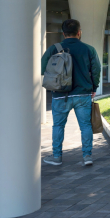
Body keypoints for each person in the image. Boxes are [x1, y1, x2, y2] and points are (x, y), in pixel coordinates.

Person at [40, 19, 101, 166]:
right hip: (82, 94)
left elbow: (42, 68)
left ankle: (57, 157)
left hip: (60, 94)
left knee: (58, 126)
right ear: (79, 33)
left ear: (63, 33)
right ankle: (87, 156)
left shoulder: (54, 49)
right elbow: (96, 70)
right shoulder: (89, 49)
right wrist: (94, 87)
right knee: (85, 126)